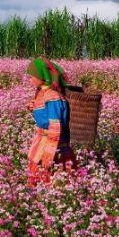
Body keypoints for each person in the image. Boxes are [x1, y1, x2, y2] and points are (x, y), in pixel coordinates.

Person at [26, 56, 77, 186]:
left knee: (53, 174)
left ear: (42, 77)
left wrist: (49, 153)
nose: (30, 79)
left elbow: (55, 124)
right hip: (42, 140)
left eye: (32, 76)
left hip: (53, 143)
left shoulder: (53, 96)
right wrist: (33, 107)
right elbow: (42, 112)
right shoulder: (43, 93)